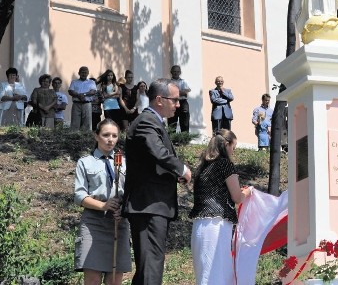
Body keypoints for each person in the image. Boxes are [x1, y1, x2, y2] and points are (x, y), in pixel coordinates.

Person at [122, 78, 192, 285]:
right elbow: (158, 153)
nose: (178, 104)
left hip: (152, 205)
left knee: (149, 267)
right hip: (149, 205)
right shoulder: (146, 121)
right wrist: (182, 169)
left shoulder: (153, 122)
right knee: (151, 268)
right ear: (160, 100)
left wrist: (174, 173)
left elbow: (152, 161)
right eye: (175, 100)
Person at [190, 129, 251, 285]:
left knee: (205, 273)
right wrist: (248, 192)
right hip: (217, 224)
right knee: (217, 274)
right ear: (226, 144)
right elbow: (237, 197)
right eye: (233, 147)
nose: (233, 152)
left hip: (199, 226)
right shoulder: (225, 165)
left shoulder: (202, 167)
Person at [74, 119, 131, 285]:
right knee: (92, 278)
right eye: (106, 135)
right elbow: (79, 195)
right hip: (93, 224)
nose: (110, 139)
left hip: (119, 222)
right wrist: (103, 206)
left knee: (115, 279)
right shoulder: (85, 162)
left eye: (114, 135)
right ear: (96, 136)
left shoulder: (125, 162)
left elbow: (132, 192)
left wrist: (125, 209)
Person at [68, 66, 97, 131]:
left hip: (87, 104)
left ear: (88, 73)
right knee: (75, 123)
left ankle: (86, 138)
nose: (84, 74)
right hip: (76, 104)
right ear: (79, 73)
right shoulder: (74, 82)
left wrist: (84, 94)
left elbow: (93, 91)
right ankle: (74, 137)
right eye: (82, 72)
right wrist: (78, 95)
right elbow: (70, 91)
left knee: (87, 123)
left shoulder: (91, 82)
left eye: (85, 72)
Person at [168, 65, 191, 133]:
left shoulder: (183, 82)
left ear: (180, 72)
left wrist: (174, 91)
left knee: (185, 121)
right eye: (174, 71)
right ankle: (172, 139)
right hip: (172, 102)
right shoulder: (168, 82)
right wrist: (181, 91)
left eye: (177, 71)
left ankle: (185, 138)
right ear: (171, 72)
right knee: (172, 122)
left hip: (183, 102)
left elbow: (186, 91)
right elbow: (168, 92)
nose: (176, 73)